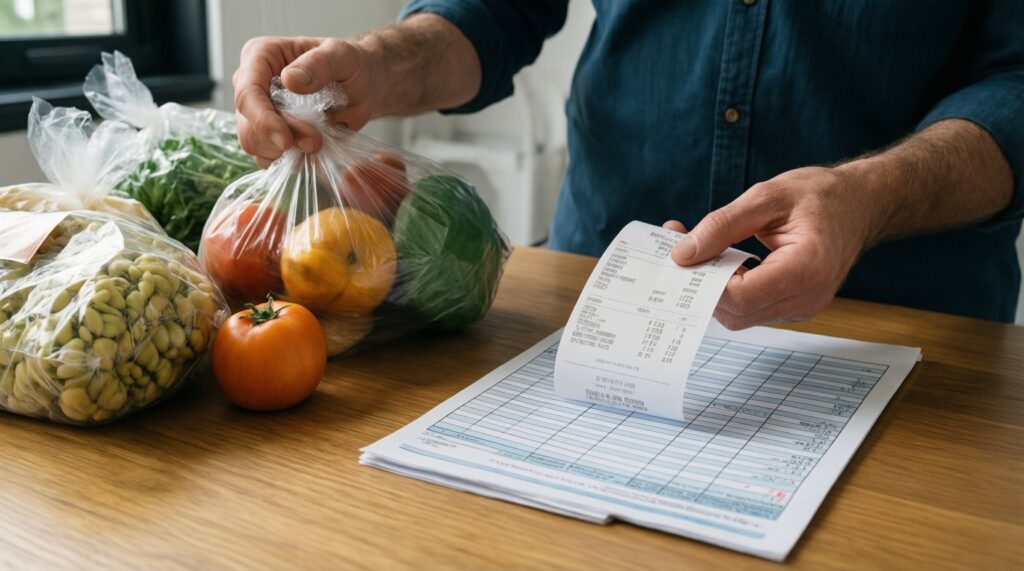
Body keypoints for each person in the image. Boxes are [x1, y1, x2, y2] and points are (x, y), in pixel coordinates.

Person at [232, 1, 1024, 329]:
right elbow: (498, 9)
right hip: (598, 299)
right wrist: (377, 64)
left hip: (904, 326)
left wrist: (869, 197)